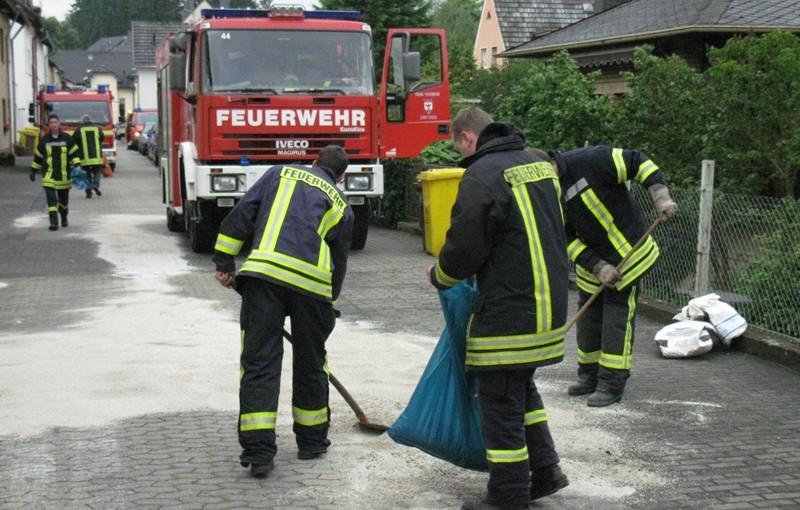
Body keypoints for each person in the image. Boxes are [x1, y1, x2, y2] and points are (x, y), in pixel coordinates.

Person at [427, 107, 570, 510]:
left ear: (467, 139)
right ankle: (546, 471)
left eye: (460, 148)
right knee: (520, 390)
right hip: (547, 308)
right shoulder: (537, 166)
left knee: (499, 404)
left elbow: (465, 245)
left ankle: (507, 496)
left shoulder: (483, 174)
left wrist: (440, 275)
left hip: (509, 311)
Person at [212, 145, 353, 479]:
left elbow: (243, 213)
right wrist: (328, 304)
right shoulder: (342, 204)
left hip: (264, 280)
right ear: (341, 177)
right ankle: (312, 443)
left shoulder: (280, 172)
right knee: (311, 363)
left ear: (314, 162)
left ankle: (260, 453)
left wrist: (224, 262)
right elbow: (340, 262)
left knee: (259, 362)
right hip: (312, 290)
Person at [531, 146, 678, 407]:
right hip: (592, 269)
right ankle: (588, 376)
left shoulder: (592, 160)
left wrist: (661, 197)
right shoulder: (545, 194)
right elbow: (566, 239)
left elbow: (637, 161)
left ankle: (611, 384)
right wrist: (598, 267)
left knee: (615, 321)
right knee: (588, 325)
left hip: (630, 258)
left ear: (551, 165)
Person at [30, 114, 80, 231]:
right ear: (49, 125)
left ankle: (64, 217)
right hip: (49, 175)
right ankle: (53, 222)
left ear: (59, 124)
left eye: (55, 122)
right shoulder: (44, 140)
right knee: (51, 200)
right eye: (51, 122)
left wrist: (77, 166)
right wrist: (33, 171)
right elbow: (38, 157)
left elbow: (74, 154)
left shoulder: (67, 138)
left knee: (63, 201)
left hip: (64, 175)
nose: (53, 124)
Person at [72, 114, 104, 198]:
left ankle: (88, 192)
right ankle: (96, 185)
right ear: (90, 120)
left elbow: (73, 141)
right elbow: (102, 138)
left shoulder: (79, 130)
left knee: (87, 174)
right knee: (97, 171)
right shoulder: (97, 128)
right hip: (96, 156)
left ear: (82, 121)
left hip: (84, 157)